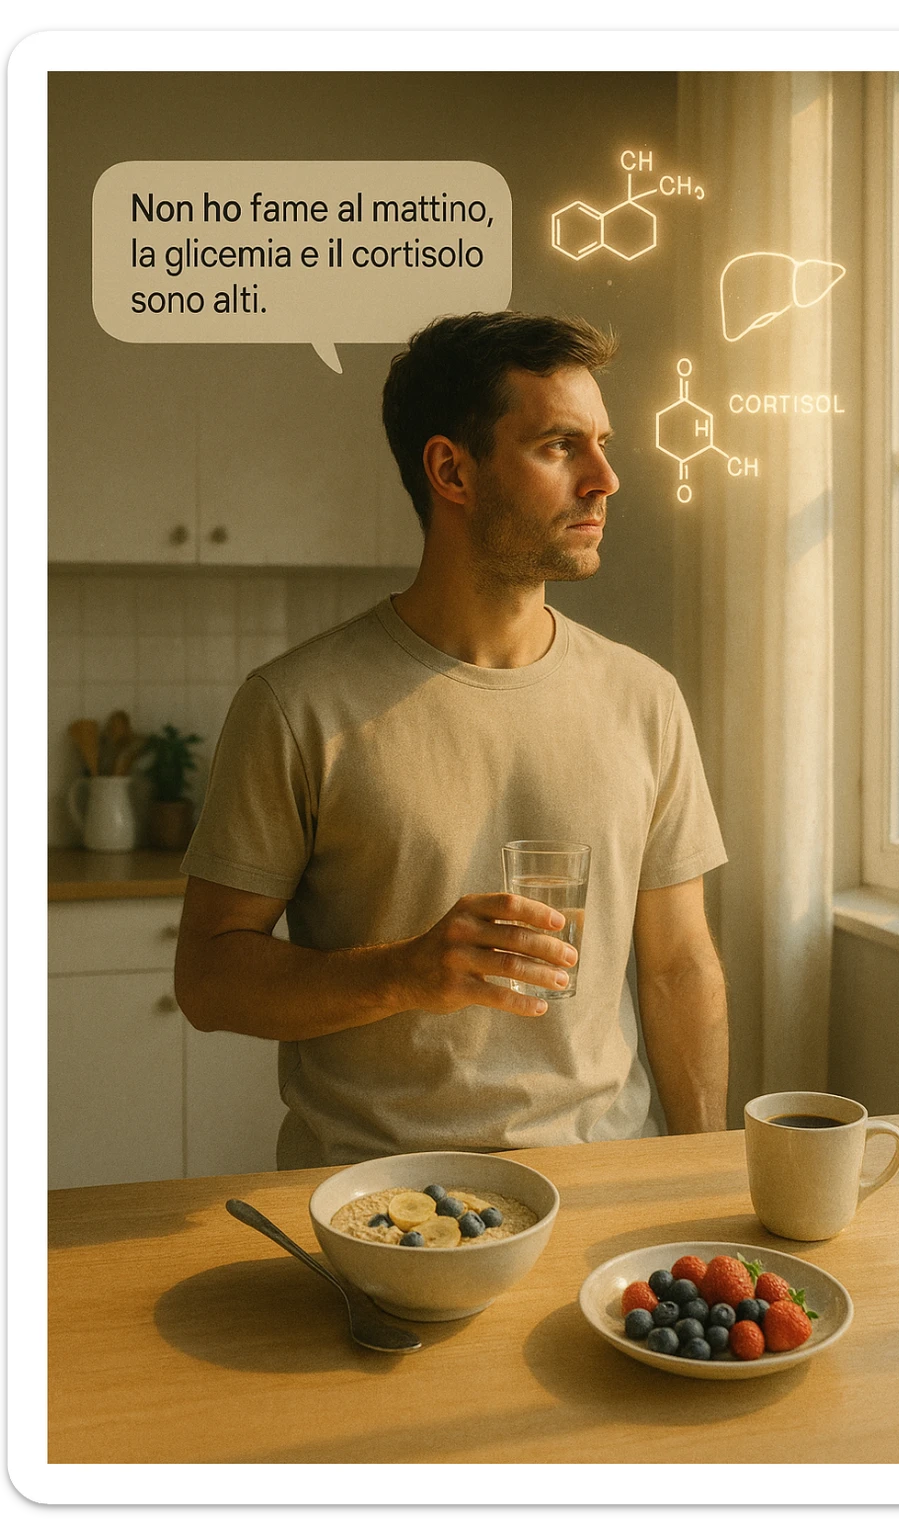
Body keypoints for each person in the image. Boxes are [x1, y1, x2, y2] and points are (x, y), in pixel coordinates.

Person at [174, 310, 729, 1169]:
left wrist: (701, 1174)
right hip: (375, 1204)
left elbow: (678, 966)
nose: (606, 479)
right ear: (452, 471)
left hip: (600, 1184)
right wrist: (406, 973)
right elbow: (208, 980)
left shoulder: (644, 698)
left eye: (603, 443)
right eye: (559, 446)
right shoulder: (297, 705)